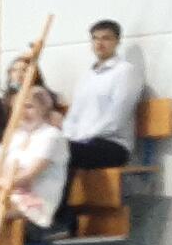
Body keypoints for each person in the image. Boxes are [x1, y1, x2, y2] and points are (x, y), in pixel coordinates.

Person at [61, 19, 144, 172]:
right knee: (54, 149)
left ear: (117, 41)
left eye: (106, 38)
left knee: (63, 153)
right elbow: (73, 114)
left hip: (113, 144)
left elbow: (117, 118)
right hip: (81, 142)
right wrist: (66, 136)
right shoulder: (86, 76)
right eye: (95, 38)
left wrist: (82, 137)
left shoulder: (125, 72)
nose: (99, 43)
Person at [4, 88, 72, 236]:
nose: (23, 112)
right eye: (18, 107)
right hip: (9, 197)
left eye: (29, 107)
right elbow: (3, 172)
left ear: (44, 109)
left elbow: (27, 176)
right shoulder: (16, 137)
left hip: (35, 207)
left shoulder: (51, 136)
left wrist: (2, 183)